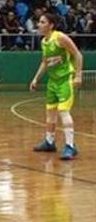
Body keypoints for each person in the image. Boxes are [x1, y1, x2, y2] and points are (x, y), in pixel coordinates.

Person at [29, 13, 83, 160]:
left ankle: (70, 146)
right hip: (52, 82)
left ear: (51, 25)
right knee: (50, 112)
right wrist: (36, 79)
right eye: (39, 22)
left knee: (63, 112)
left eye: (42, 22)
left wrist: (78, 75)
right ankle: (49, 141)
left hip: (65, 80)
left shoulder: (60, 38)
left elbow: (78, 55)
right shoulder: (44, 42)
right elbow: (45, 62)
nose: (39, 25)